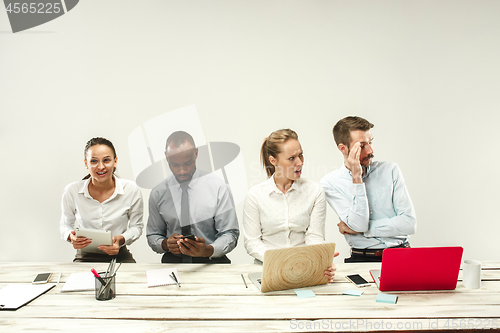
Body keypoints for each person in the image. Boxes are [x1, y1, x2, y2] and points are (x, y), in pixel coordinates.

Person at [243, 129, 338, 282]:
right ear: (273, 160)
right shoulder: (255, 195)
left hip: (304, 269)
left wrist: (321, 257)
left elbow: (314, 236)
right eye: (291, 158)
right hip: (267, 269)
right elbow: (252, 242)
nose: (299, 162)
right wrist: (281, 261)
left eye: (301, 155)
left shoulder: (315, 191)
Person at [320, 116, 417, 263]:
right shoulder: (330, 183)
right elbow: (359, 224)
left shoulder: (390, 170)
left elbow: (409, 224)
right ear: (343, 148)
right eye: (363, 145)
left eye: (371, 142)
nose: (371, 150)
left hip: (402, 255)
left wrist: (360, 230)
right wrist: (357, 178)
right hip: (362, 260)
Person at [146, 131, 239, 264]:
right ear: (166, 157)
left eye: (187, 163)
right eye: (175, 165)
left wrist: (207, 250)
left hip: (211, 261)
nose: (182, 171)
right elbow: (153, 234)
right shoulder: (158, 193)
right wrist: (165, 244)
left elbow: (230, 234)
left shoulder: (218, 187)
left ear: (196, 153)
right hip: (174, 262)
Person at [60, 137, 144, 263]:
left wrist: (120, 239)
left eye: (106, 160)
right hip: (85, 255)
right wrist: (70, 236)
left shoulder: (131, 190)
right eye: (94, 161)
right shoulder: (72, 191)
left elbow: (137, 226)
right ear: (86, 163)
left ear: (115, 161)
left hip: (119, 254)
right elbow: (65, 224)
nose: (101, 167)